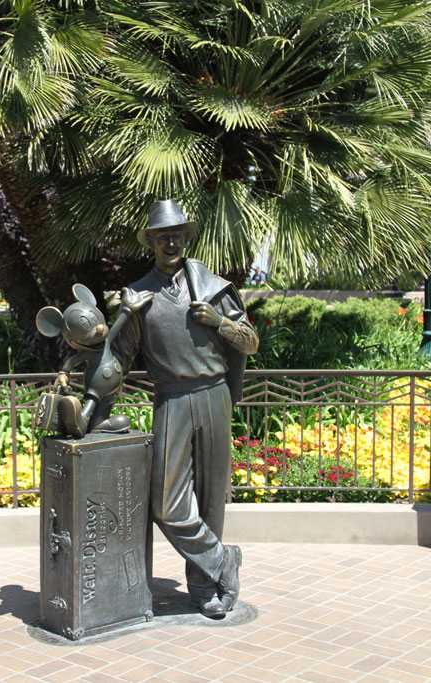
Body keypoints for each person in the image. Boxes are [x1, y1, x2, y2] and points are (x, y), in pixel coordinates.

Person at [113, 199, 260, 619]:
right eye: (163, 237)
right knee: (166, 503)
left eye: (177, 235)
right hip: (171, 399)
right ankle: (222, 559)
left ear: (186, 239)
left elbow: (249, 343)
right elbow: (119, 357)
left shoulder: (213, 287)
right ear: (152, 242)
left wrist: (219, 322)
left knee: (211, 499)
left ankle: (202, 587)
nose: (171, 242)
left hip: (213, 395)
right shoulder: (140, 296)